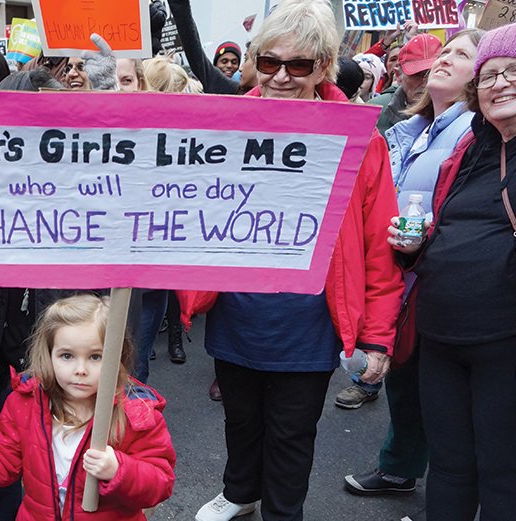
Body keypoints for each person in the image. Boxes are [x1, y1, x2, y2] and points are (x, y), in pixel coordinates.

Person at [182, 1, 404, 520]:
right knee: (239, 420)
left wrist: (376, 336)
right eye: (269, 62)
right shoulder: (225, 126)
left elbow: (378, 248)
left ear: (325, 66)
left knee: (291, 434)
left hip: (309, 322)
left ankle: (283, 512)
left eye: (298, 65)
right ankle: (240, 493)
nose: (281, 76)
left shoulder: (360, 142)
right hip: (238, 312)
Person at [339, 28, 483, 498]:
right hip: (396, 273)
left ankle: (446, 492)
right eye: (445, 50)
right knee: (404, 380)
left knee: (437, 393)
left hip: (435, 279)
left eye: (462, 54)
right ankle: (399, 470)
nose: (445, 59)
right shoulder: (407, 127)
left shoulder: (475, 132)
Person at [385, 23, 516, 521]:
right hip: (440, 337)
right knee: (450, 465)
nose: (500, 84)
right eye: (490, 76)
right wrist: (412, 247)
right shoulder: (467, 150)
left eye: (513, 73)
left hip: (503, 343)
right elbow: (443, 231)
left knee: (502, 471)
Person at [0, 295, 176, 520]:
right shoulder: (27, 403)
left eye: (96, 356)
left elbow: (160, 481)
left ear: (118, 356)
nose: (81, 370)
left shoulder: (136, 414)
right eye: (67, 356)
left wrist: (118, 470)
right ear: (48, 355)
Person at [370, 34, 441, 135]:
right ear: (398, 75)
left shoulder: (460, 118)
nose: (425, 83)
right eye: (417, 75)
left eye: (431, 74)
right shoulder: (373, 111)